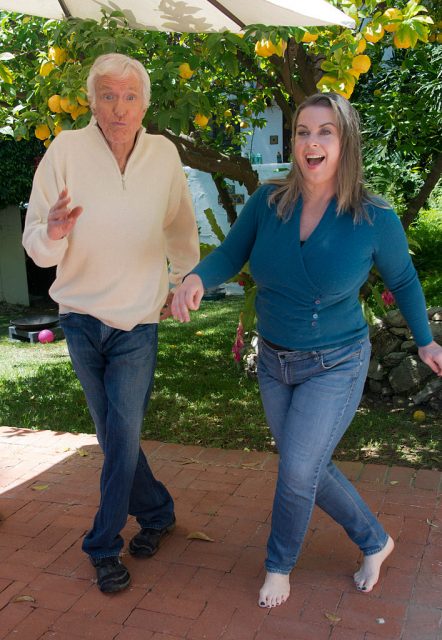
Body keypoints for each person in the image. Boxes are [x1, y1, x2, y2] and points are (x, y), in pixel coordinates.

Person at [171, 92, 442, 608]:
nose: (310, 141)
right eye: (301, 131)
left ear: (345, 142)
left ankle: (279, 565)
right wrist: (196, 278)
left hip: (336, 362)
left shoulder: (373, 216)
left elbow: (403, 280)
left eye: (325, 132)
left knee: (297, 470)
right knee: (308, 466)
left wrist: (425, 341)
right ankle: (374, 541)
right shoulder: (269, 201)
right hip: (274, 360)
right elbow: (230, 252)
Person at [23, 53, 199, 593]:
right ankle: (159, 512)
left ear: (143, 103)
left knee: (120, 437)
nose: (119, 108)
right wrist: (53, 231)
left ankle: (102, 545)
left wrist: (182, 281)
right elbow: (36, 245)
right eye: (107, 96)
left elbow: (179, 227)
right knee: (113, 437)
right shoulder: (65, 151)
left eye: (129, 97)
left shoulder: (164, 155)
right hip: (80, 320)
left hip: (138, 324)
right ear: (92, 102)